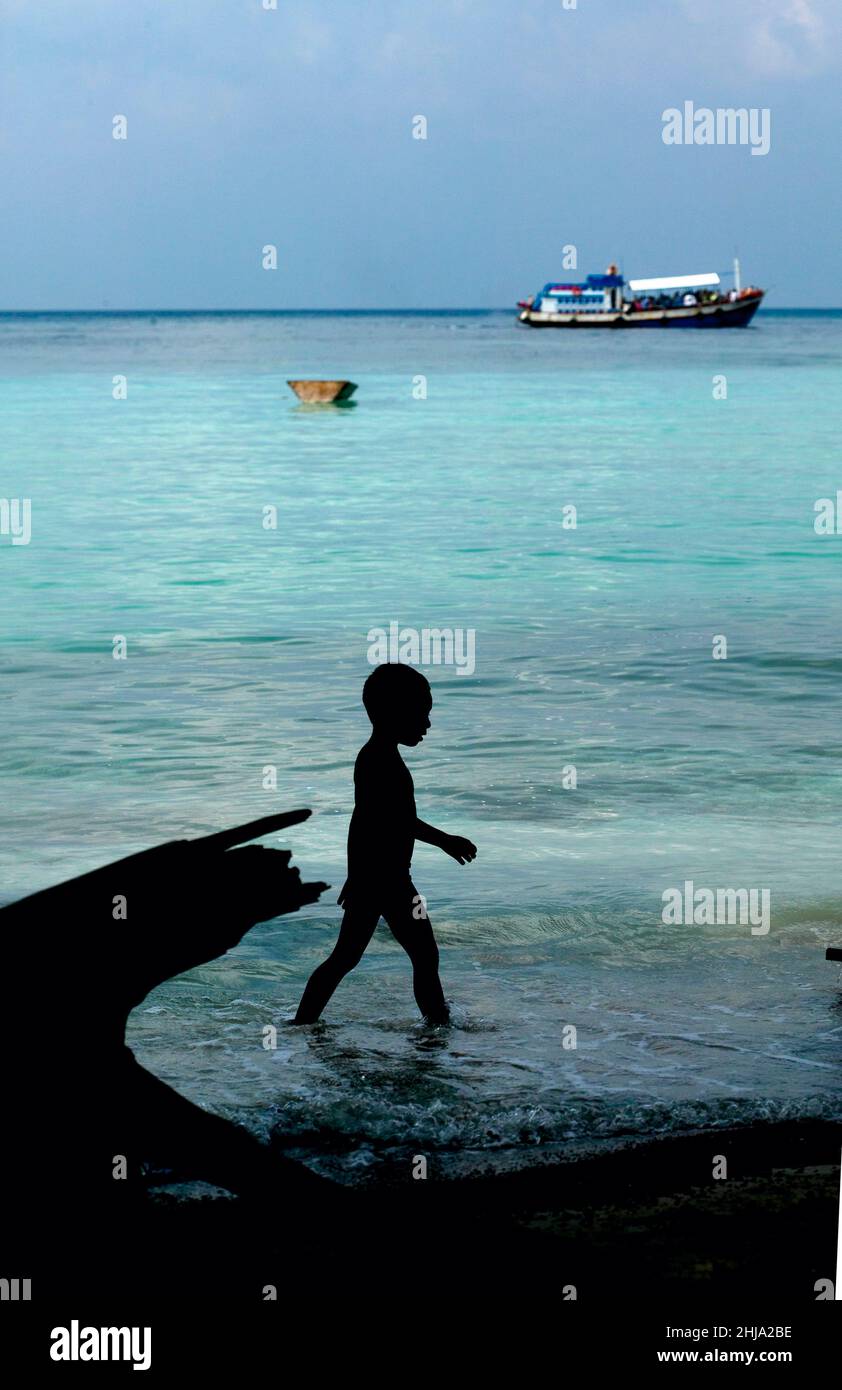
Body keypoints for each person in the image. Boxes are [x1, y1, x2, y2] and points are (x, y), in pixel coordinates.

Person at [294, 664, 477, 1025]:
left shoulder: (379, 757)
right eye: (420, 714)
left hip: (383, 880)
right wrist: (444, 841)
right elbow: (397, 821)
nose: (426, 724)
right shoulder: (379, 761)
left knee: (355, 957)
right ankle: (437, 1025)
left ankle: (305, 1022)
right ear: (394, 713)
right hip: (388, 882)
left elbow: (359, 820)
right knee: (413, 955)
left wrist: (353, 874)